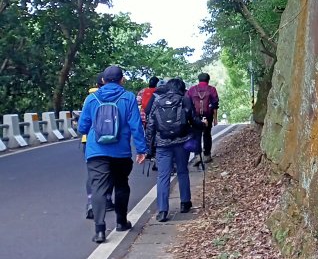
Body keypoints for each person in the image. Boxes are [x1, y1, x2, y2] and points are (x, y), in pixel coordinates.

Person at [77, 65, 148, 243]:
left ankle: (100, 230)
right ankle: (121, 222)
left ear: (103, 80)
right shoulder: (128, 97)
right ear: (121, 79)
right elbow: (136, 125)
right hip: (120, 152)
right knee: (121, 185)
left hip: (96, 151)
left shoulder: (91, 98)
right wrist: (142, 149)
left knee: (98, 189)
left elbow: (82, 127)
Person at [145, 78, 202, 222]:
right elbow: (194, 120)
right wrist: (202, 126)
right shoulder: (185, 100)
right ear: (181, 88)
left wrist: (148, 147)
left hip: (162, 143)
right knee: (182, 171)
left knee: (163, 176)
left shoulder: (158, 101)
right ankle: (185, 203)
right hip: (182, 142)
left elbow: (150, 124)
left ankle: (163, 211)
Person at [83, 74, 114, 219]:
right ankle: (107, 198)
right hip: (114, 142)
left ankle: (91, 202)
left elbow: (83, 125)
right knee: (111, 173)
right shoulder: (120, 96)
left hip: (91, 141)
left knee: (94, 176)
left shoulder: (91, 97)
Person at [186, 72, 219, 162]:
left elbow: (187, 104)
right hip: (208, 116)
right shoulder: (212, 89)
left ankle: (197, 156)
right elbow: (215, 105)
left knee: (197, 135)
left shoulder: (192, 90)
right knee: (207, 134)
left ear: (199, 80)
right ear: (208, 80)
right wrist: (215, 119)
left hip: (195, 117)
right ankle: (207, 155)